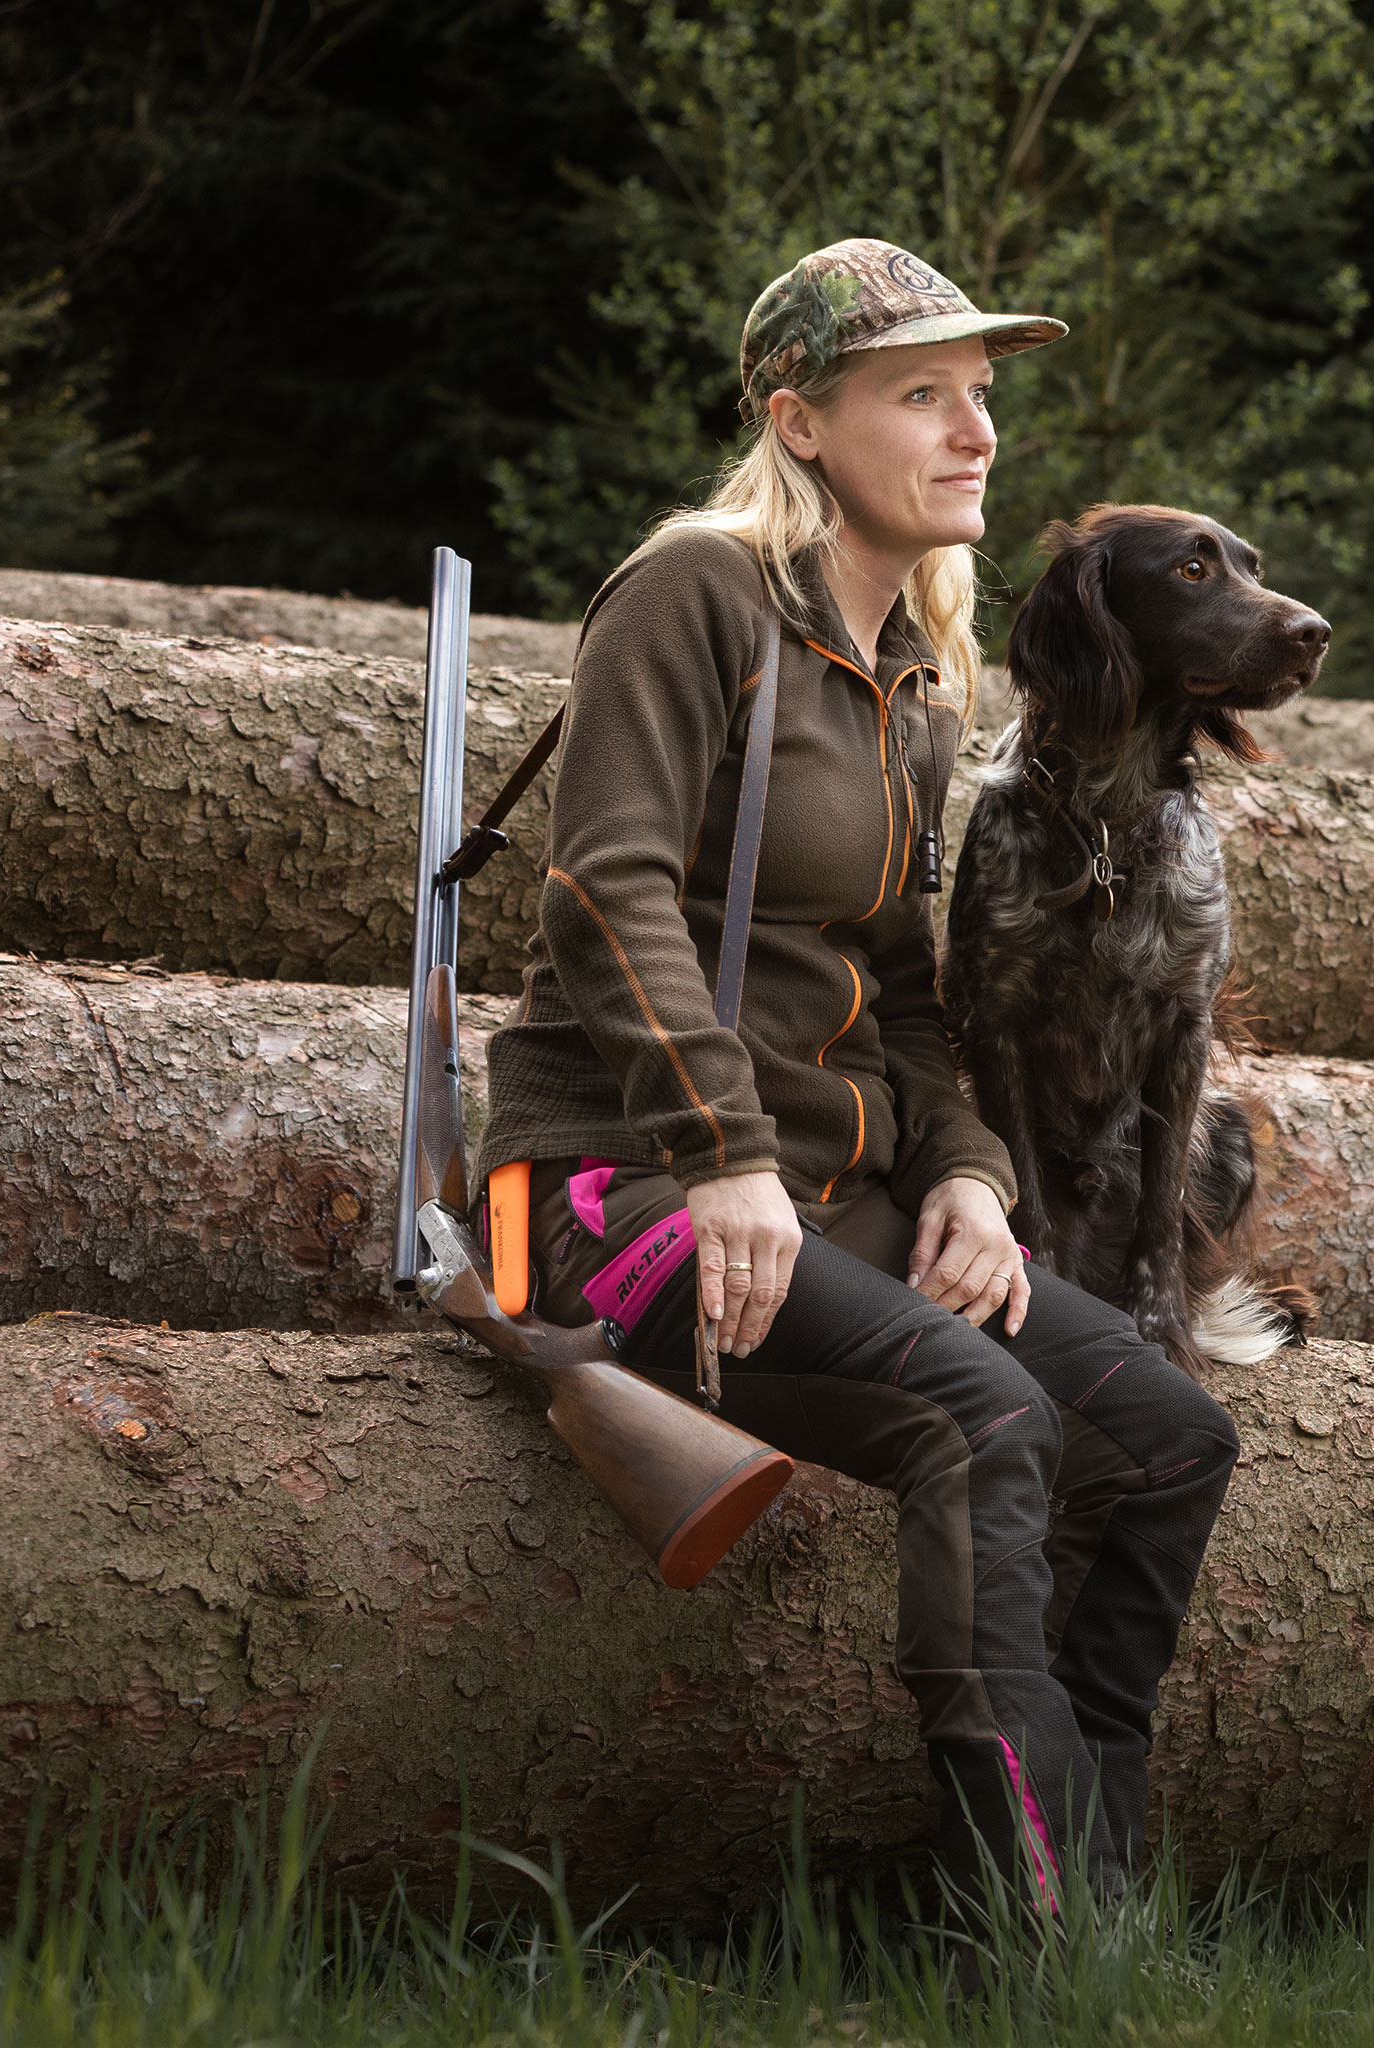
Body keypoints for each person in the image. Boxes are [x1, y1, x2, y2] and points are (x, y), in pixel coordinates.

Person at [478, 236, 1237, 1914]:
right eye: (922, 396)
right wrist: (729, 1152)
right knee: (984, 1417)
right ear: (800, 423)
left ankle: (1102, 1895)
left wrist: (964, 1170)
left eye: (981, 398)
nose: (977, 433)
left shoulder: (909, 680)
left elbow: (902, 992)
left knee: (1176, 1442)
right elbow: (604, 889)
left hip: (830, 1206)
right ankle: (1031, 1952)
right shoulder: (693, 595)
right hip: (616, 1195)